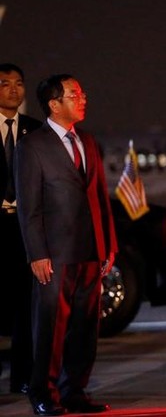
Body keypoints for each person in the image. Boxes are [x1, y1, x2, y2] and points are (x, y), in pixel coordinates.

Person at [15, 74, 117, 415]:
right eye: (74, 94)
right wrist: (37, 253)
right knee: (50, 327)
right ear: (54, 104)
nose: (83, 97)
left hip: (91, 252)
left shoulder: (87, 141)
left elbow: (101, 197)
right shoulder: (32, 146)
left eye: (82, 92)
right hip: (54, 255)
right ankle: (43, 392)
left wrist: (109, 246)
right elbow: (29, 207)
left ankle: (75, 390)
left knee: (85, 328)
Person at [0, 63, 41, 395]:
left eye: (18, 83)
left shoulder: (34, 129)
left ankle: (23, 377)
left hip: (23, 225)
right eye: (4, 84)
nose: (13, 89)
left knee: (26, 305)